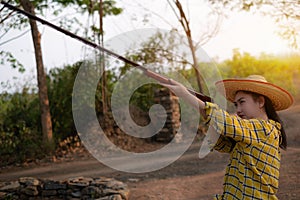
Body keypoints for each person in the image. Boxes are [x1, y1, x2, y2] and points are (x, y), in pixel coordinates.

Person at [161, 75, 293, 200]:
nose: (238, 110)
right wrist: (204, 110)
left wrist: (185, 95)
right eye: (236, 105)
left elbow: (227, 123)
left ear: (260, 102)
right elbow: (221, 143)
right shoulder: (249, 133)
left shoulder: (265, 129)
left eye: (242, 102)